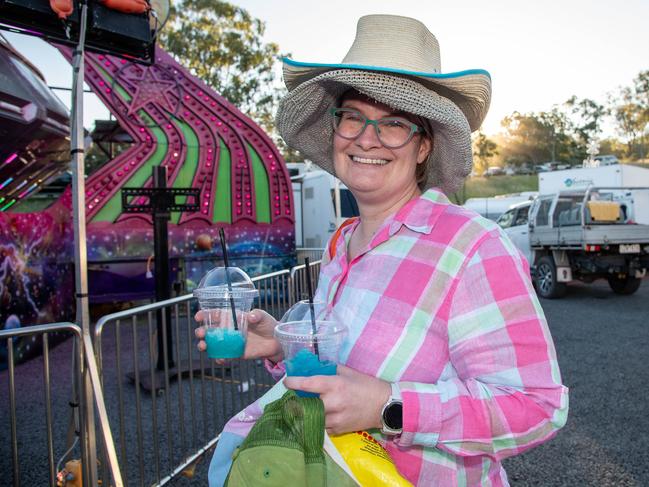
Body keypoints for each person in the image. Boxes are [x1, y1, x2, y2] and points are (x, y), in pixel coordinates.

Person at [197, 14, 568, 486]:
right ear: (335, 131)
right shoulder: (341, 242)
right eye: (352, 117)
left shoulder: (472, 246)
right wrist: (280, 342)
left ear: (423, 148)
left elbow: (537, 406)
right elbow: (345, 372)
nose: (366, 138)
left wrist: (389, 406)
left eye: (393, 124)